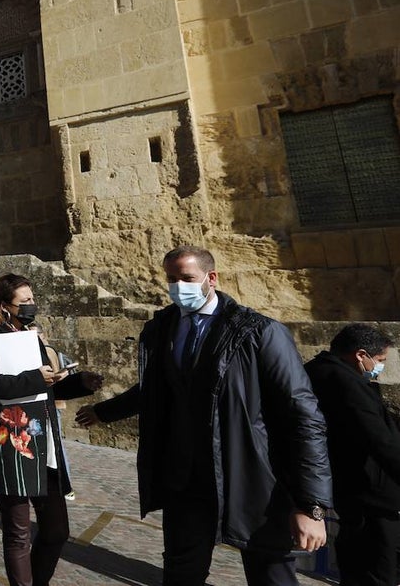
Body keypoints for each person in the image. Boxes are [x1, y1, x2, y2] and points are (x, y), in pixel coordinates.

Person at [75, 245, 331, 586]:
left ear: (211, 278)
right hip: (185, 480)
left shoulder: (258, 332)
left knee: (271, 575)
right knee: (181, 573)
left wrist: (312, 505)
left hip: (252, 480)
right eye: (171, 278)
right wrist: (102, 412)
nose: (178, 286)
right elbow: (154, 389)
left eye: (187, 278)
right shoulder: (161, 329)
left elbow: (304, 415)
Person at [0, 273, 103, 586]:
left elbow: (45, 389)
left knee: (57, 531)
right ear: (4, 306)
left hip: (45, 443)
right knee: (18, 534)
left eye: (32, 299)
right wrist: (36, 378)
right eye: (24, 301)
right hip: (10, 442)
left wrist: (77, 382)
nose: (31, 305)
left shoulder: (32, 336)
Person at [305, 323, 400, 586]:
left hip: (350, 492)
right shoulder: (345, 382)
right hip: (370, 496)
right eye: (379, 360)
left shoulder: (316, 371)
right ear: (360, 355)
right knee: (376, 570)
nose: (379, 367)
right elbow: (378, 439)